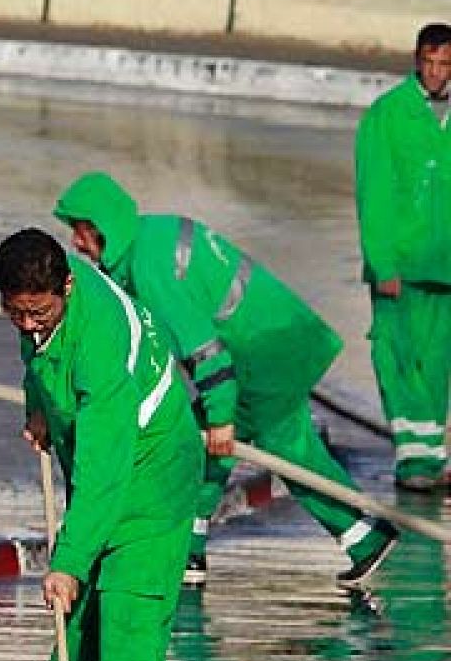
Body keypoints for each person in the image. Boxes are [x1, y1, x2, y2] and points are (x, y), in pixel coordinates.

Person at [54, 171, 398, 591]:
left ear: (100, 227)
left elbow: (205, 350)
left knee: (202, 448)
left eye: (79, 231)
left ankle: (189, 550)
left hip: (262, 355)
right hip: (280, 340)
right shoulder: (149, 238)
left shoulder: (147, 268)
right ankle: (364, 538)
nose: (76, 243)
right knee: (290, 451)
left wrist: (220, 419)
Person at [0, 229, 203, 661]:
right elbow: (40, 359)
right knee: (74, 616)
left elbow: (106, 470)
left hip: (153, 476)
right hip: (103, 469)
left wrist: (69, 561)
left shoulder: (101, 341)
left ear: (68, 287)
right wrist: (38, 407)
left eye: (38, 312)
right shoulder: (42, 311)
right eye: (16, 313)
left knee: (127, 616)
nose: (28, 325)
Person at [355, 22, 451, 492]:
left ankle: (431, 459)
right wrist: (382, 263)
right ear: (416, 60)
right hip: (401, 265)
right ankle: (413, 462)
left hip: (444, 266)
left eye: (444, 64)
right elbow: (373, 195)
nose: (435, 72)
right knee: (396, 357)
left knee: (436, 364)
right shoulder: (387, 114)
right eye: (429, 62)